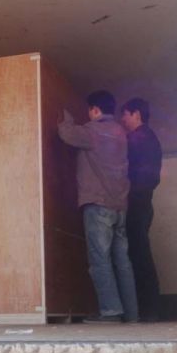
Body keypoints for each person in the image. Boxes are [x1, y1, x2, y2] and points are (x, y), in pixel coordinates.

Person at [58, 90, 138, 323]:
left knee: (99, 260)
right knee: (122, 261)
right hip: (120, 207)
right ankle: (132, 314)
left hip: (99, 205)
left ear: (94, 110)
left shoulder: (94, 131)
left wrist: (65, 115)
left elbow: (67, 134)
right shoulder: (121, 133)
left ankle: (111, 311)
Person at [120, 98, 163, 322]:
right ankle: (149, 309)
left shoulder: (137, 139)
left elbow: (134, 174)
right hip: (144, 202)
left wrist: (128, 195)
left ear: (136, 114)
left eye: (125, 115)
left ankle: (147, 310)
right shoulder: (149, 138)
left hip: (137, 202)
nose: (122, 120)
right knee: (140, 254)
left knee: (138, 256)